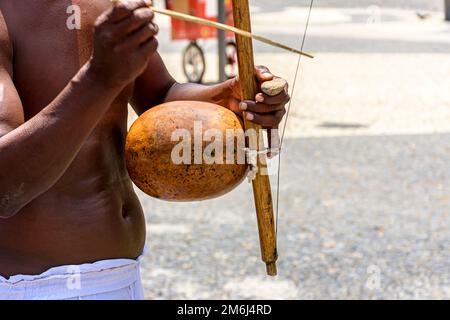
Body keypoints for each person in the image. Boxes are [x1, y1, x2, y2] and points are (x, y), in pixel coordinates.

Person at [0, 0, 290, 299]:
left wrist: (231, 97)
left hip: (123, 273)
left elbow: (161, 93)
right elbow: (4, 186)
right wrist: (99, 78)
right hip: (41, 287)